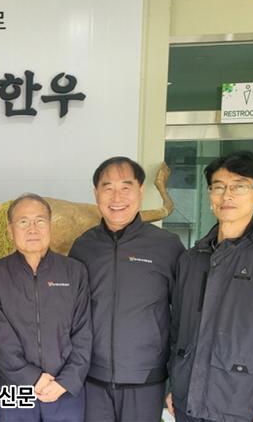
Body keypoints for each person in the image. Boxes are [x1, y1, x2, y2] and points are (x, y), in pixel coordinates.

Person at [167, 151, 253, 422]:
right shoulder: (192, 258)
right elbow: (177, 329)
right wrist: (174, 384)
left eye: (239, 187)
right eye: (218, 187)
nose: (227, 195)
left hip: (244, 410)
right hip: (187, 405)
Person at [69, 157, 185, 422]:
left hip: (146, 380)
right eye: (108, 187)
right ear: (96, 193)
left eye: (126, 187)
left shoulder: (167, 246)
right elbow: (71, 313)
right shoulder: (83, 246)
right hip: (92, 379)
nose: (117, 197)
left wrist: (177, 379)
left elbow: (184, 317)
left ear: (140, 191)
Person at [0, 194, 92, 422]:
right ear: (10, 230)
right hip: (15, 391)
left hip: (64, 392)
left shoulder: (74, 272)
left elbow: (83, 334)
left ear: (50, 225)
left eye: (40, 220)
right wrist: (32, 379)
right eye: (23, 221)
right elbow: (0, 338)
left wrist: (65, 382)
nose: (32, 229)